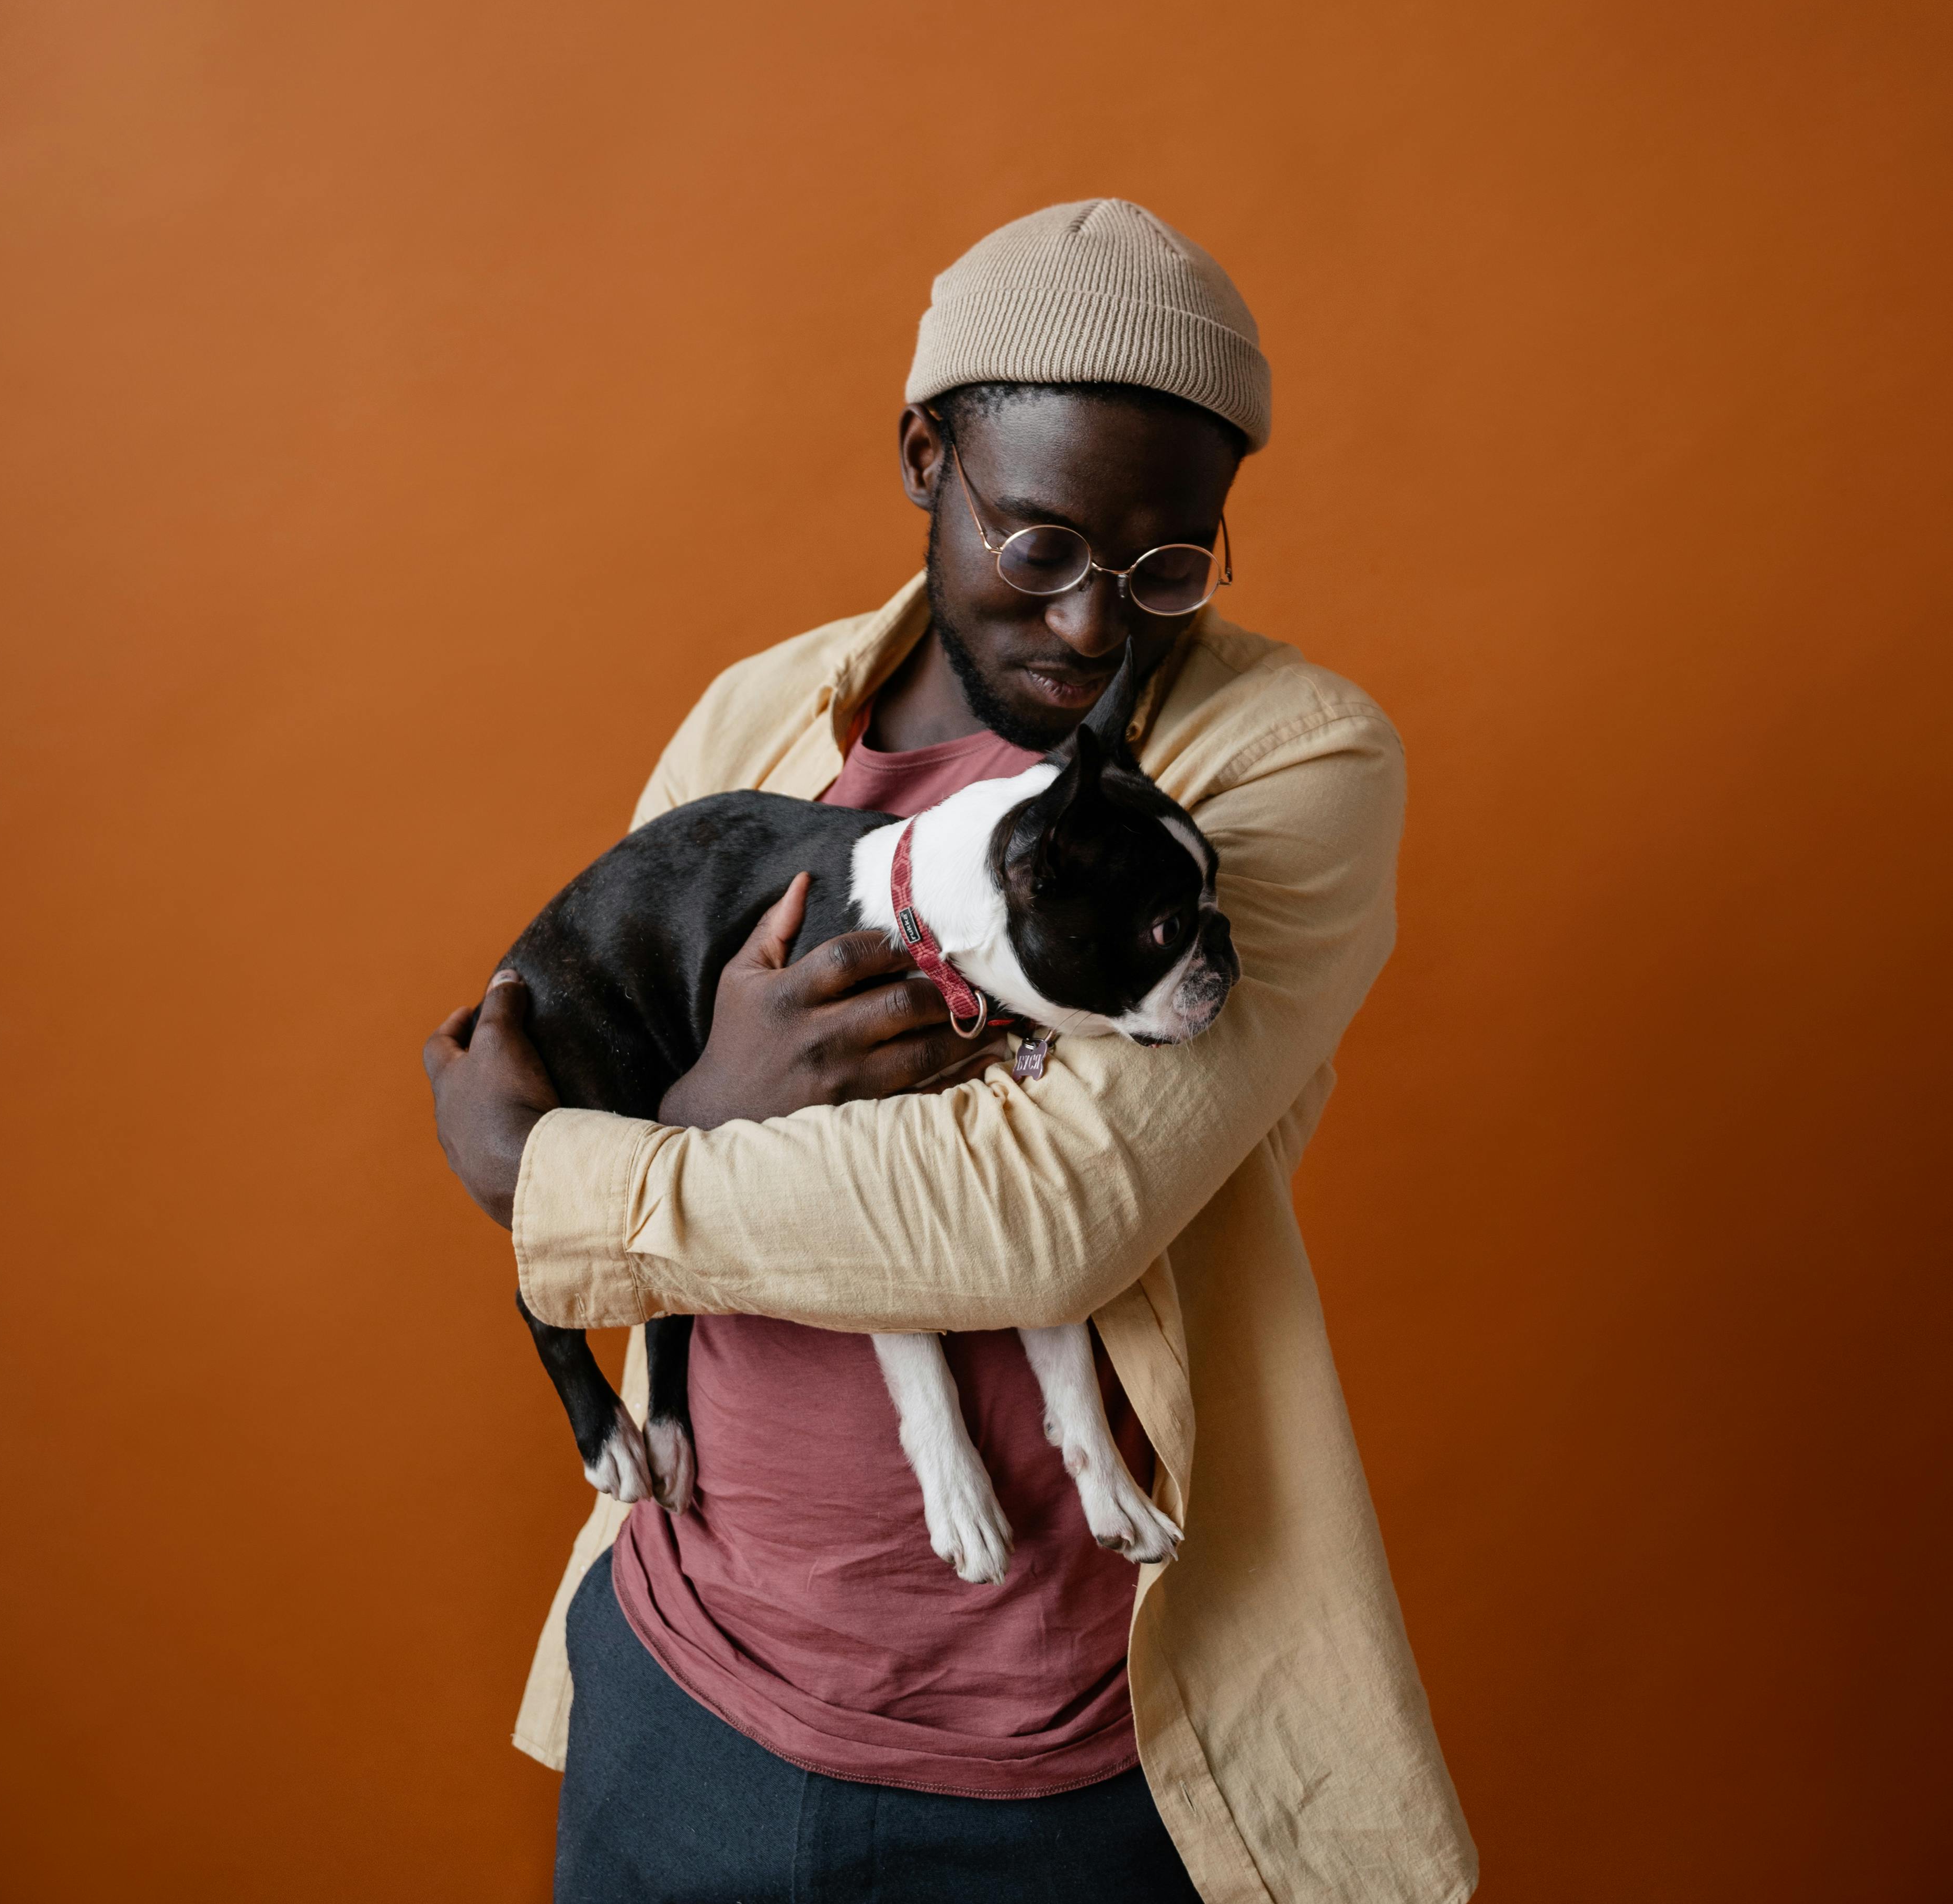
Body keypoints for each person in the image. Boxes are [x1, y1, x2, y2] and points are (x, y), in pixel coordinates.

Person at [426, 198, 1476, 1904]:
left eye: (1167, 566)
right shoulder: (755, 719)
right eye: (1042, 543)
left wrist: (562, 1168)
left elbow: (1037, 1217)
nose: (1093, 629)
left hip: (1057, 1759)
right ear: (927, 455)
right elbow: (614, 1084)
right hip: (681, 1679)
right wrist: (693, 1113)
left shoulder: (1285, 762)